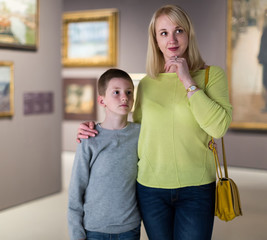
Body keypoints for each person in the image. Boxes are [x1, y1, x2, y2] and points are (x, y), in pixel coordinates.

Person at [76, 5, 232, 240]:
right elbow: (136, 130)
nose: (171, 39)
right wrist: (95, 128)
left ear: (189, 34)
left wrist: (188, 80)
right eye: (163, 33)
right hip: (151, 190)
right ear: (155, 40)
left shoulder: (212, 75)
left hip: (196, 188)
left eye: (178, 30)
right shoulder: (147, 83)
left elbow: (218, 128)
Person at [68, 68, 141, 240]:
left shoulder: (140, 133)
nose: (124, 97)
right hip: (94, 229)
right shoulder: (89, 138)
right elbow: (76, 188)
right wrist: (76, 234)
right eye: (116, 92)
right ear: (102, 100)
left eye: (129, 92)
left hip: (129, 228)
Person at [258, 9, 267, 112]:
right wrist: (260, 56)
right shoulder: (265, 28)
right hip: (265, 60)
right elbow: (262, 44)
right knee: (265, 83)